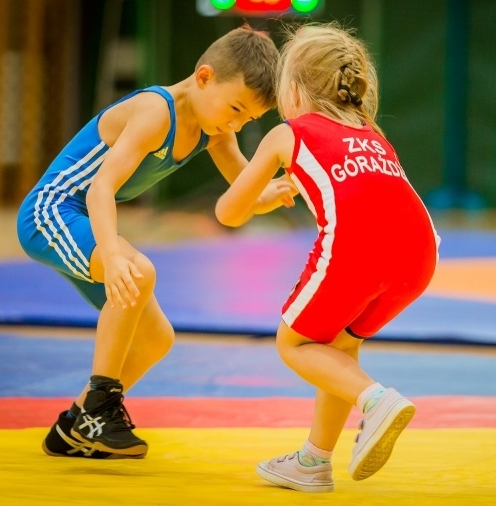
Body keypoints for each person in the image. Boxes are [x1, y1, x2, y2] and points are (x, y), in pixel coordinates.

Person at [16, 25, 295, 459]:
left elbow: (243, 192)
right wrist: (111, 252)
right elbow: (100, 188)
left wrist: (271, 194)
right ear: (204, 77)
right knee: (138, 270)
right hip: (50, 212)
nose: (236, 123)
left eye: (249, 120)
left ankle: (73, 427)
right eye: (235, 109)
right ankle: (100, 409)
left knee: (156, 338)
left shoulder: (215, 126)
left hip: (86, 218)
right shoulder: (155, 112)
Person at [215, 22, 440, 492]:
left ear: (292, 89)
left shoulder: (288, 133)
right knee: (340, 347)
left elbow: (229, 212)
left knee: (294, 343)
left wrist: (264, 190)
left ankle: (375, 400)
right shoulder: (372, 132)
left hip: (362, 249)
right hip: (420, 252)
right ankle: (313, 461)